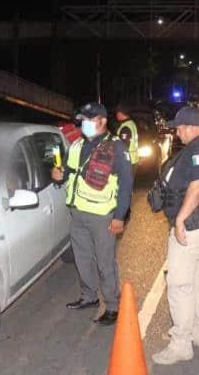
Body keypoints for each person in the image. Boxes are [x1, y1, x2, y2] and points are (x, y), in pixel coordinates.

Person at [51, 102, 133, 326]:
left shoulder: (116, 147)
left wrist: (119, 216)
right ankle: (89, 297)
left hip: (102, 216)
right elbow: (69, 172)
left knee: (105, 263)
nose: (84, 123)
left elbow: (126, 184)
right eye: (83, 119)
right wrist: (58, 175)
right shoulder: (77, 144)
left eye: (88, 119)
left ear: (102, 121)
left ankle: (113, 306)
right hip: (77, 212)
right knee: (82, 259)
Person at [151, 106, 199, 365]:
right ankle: (198, 331)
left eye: (179, 128)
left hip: (192, 227)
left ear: (191, 126)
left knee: (180, 285)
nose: (177, 133)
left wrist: (180, 219)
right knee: (198, 280)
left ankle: (181, 344)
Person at [115, 103, 139, 175]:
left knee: (123, 185)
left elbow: (123, 146)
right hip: (132, 160)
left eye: (117, 112)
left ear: (120, 113)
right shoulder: (131, 123)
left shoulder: (125, 127)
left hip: (127, 161)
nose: (116, 114)